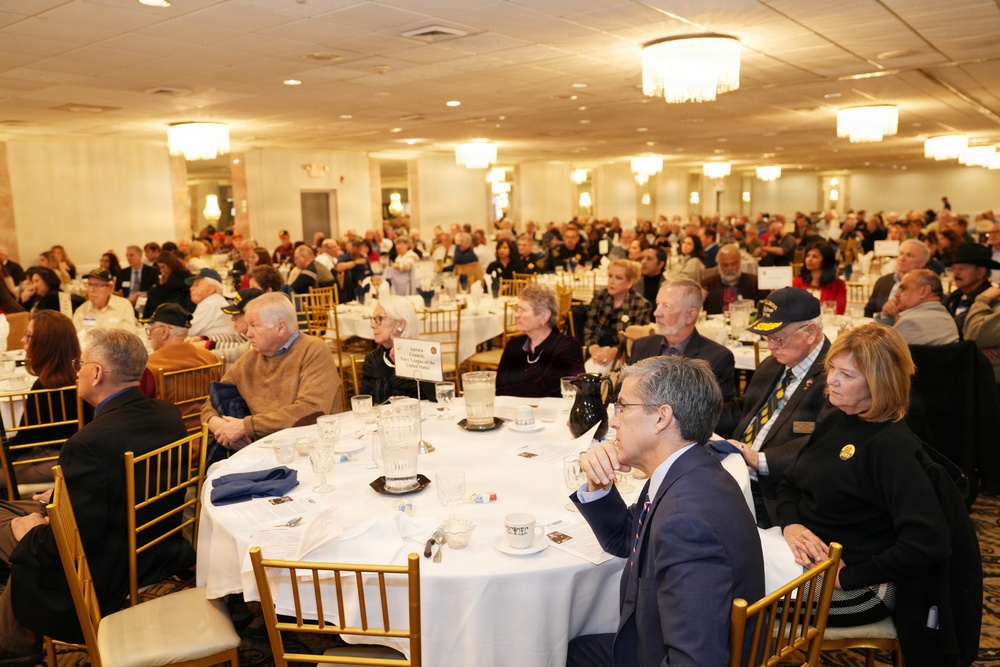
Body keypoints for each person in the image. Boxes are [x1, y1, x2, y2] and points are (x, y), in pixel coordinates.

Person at [774, 324, 979, 667]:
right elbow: (789, 485)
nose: (832, 381)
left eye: (846, 375)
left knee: (733, 588)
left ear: (878, 384)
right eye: (833, 370)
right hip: (806, 560)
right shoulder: (836, 420)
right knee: (726, 566)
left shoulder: (891, 448)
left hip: (862, 589)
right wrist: (791, 526)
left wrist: (846, 577)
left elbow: (928, 542)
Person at [0, 328, 190, 657]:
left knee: (17, 532)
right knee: (12, 508)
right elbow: (120, 481)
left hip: (105, 565)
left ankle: (11, 644)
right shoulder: (168, 415)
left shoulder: (88, 443)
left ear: (97, 373)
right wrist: (64, 493)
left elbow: (68, 544)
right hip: (156, 544)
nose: (77, 371)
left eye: (81, 363)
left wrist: (31, 531)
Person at [567, 356, 764, 667]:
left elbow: (696, 660)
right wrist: (598, 482)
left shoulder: (685, 523)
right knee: (570, 650)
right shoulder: (688, 466)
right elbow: (624, 539)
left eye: (622, 407)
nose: (613, 420)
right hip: (657, 641)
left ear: (661, 418)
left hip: (660, 654)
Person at [720, 288, 833, 527]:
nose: (770, 347)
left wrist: (758, 459)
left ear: (810, 332)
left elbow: (826, 443)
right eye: (767, 337)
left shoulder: (834, 377)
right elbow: (746, 409)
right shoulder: (775, 364)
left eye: (778, 338)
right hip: (735, 475)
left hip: (777, 494)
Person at [201, 292, 342, 453]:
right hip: (263, 451)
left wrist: (245, 427)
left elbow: (310, 409)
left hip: (314, 449)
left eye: (254, 325)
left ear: (281, 327)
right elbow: (211, 401)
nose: (248, 333)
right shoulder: (250, 359)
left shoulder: (313, 350)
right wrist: (221, 427)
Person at [3, 311, 86, 485]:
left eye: (29, 336)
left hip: (54, 461)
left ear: (46, 344)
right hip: (78, 456)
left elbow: (25, 442)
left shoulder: (44, 387)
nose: (22, 340)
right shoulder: (80, 378)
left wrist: (3, 450)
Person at [630, 279, 736, 402]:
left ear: (690, 315)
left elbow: (722, 413)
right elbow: (621, 393)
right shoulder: (641, 346)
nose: (656, 313)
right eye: (658, 304)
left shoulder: (716, 359)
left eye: (666, 306)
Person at [495, 285, 584, 397]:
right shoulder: (514, 346)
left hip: (554, 413)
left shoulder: (568, 347)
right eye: (516, 309)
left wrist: (506, 392)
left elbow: (545, 388)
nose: (516, 315)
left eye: (522, 310)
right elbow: (499, 386)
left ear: (544, 316)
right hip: (511, 412)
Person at [146, 303, 220, 431]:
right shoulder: (210, 357)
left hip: (170, 442)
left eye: (150, 330)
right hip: (208, 434)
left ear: (164, 331)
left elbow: (140, 410)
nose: (148, 336)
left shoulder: (150, 365)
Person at [359, 295, 437, 403]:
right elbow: (364, 403)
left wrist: (404, 358)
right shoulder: (372, 359)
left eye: (380, 318)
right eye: (374, 319)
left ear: (400, 324)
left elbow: (438, 396)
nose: (373, 325)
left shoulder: (423, 355)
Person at [583, 259, 652, 370]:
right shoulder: (600, 296)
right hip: (597, 351)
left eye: (618, 278)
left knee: (595, 371)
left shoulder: (641, 304)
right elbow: (589, 328)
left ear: (629, 283)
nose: (611, 281)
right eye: (610, 276)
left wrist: (615, 351)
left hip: (623, 355)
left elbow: (637, 340)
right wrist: (594, 348)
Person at [863, 239, 930, 322]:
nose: (902, 258)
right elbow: (868, 312)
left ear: (922, 262)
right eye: (901, 254)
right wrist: (884, 314)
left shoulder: (926, 288)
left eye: (909, 255)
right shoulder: (883, 281)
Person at [891, 270, 959, 345]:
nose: (896, 294)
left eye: (903, 288)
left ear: (924, 291)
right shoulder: (949, 321)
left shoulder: (909, 323)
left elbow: (882, 354)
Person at [943, 243, 998, 332]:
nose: (955, 274)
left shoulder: (991, 301)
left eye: (961, 269)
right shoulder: (956, 296)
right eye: (953, 269)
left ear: (981, 272)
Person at [71, 268, 139, 334]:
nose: (91, 290)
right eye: (89, 284)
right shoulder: (81, 311)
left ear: (110, 287)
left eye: (96, 285)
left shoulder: (123, 306)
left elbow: (129, 338)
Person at [701, 244, 764, 315]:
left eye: (734, 264)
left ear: (740, 262)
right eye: (725, 265)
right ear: (719, 265)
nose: (730, 269)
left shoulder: (754, 282)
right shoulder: (708, 284)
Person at [792, 243, 846, 314]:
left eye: (815, 257)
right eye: (808, 256)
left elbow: (839, 311)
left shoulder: (838, 285)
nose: (809, 259)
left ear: (825, 261)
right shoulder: (798, 282)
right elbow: (792, 308)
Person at [142, 251, 193, 319]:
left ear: (170, 265)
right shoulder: (175, 274)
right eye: (160, 268)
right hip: (175, 301)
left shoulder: (180, 275)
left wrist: (160, 284)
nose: (161, 270)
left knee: (153, 295)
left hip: (180, 304)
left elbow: (165, 289)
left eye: (163, 267)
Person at [185, 268, 235, 337]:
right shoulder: (215, 301)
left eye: (196, 285)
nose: (191, 288)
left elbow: (187, 331)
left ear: (211, 289)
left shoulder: (212, 303)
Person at [17, 267, 84, 314]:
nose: (34, 285)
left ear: (47, 280)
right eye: (33, 282)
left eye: (37, 281)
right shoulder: (41, 297)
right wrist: (25, 299)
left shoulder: (52, 297)